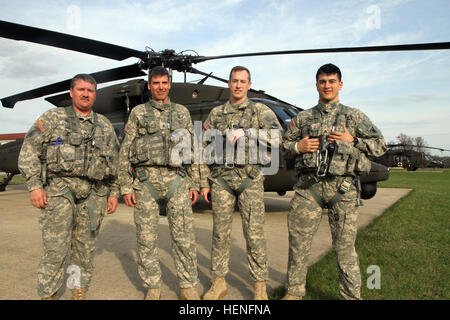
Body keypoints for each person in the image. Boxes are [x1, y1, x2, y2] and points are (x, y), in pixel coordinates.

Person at [282, 63, 387, 300]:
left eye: (331, 81)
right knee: (298, 245)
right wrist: (298, 146)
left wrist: (354, 140)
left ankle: (350, 296)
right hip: (309, 189)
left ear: (340, 84)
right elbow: (283, 146)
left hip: (343, 189)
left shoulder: (354, 116)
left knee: (344, 250)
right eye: (322, 81)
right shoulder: (303, 118)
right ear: (316, 85)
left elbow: (380, 145)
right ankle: (294, 293)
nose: (326, 86)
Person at [18, 73, 120, 300]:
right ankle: (48, 294)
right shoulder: (53, 118)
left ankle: (77, 288)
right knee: (55, 249)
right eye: (81, 89)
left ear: (95, 94)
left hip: (94, 193)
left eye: (90, 90)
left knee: (84, 248)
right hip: (59, 191)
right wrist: (35, 186)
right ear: (71, 92)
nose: (86, 94)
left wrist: (114, 192)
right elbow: (29, 150)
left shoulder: (103, 125)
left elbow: (115, 162)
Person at [118, 66, 201, 300]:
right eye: (156, 83)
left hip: (177, 180)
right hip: (146, 183)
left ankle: (187, 285)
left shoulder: (182, 113)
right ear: (149, 86)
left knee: (184, 237)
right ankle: (153, 285)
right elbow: (125, 151)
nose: (160, 87)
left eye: (164, 83)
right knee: (146, 238)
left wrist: (194, 183)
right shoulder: (138, 113)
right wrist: (126, 186)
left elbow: (193, 149)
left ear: (170, 84)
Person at [200, 66, 282, 300]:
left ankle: (260, 288)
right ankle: (218, 283)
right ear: (228, 83)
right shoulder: (216, 114)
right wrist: (205, 182)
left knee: (254, 235)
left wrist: (248, 132)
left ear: (249, 84)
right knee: (220, 234)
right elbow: (204, 148)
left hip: (250, 180)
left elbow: (277, 138)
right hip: (222, 181)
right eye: (234, 80)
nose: (238, 85)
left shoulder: (259, 110)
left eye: (242, 81)